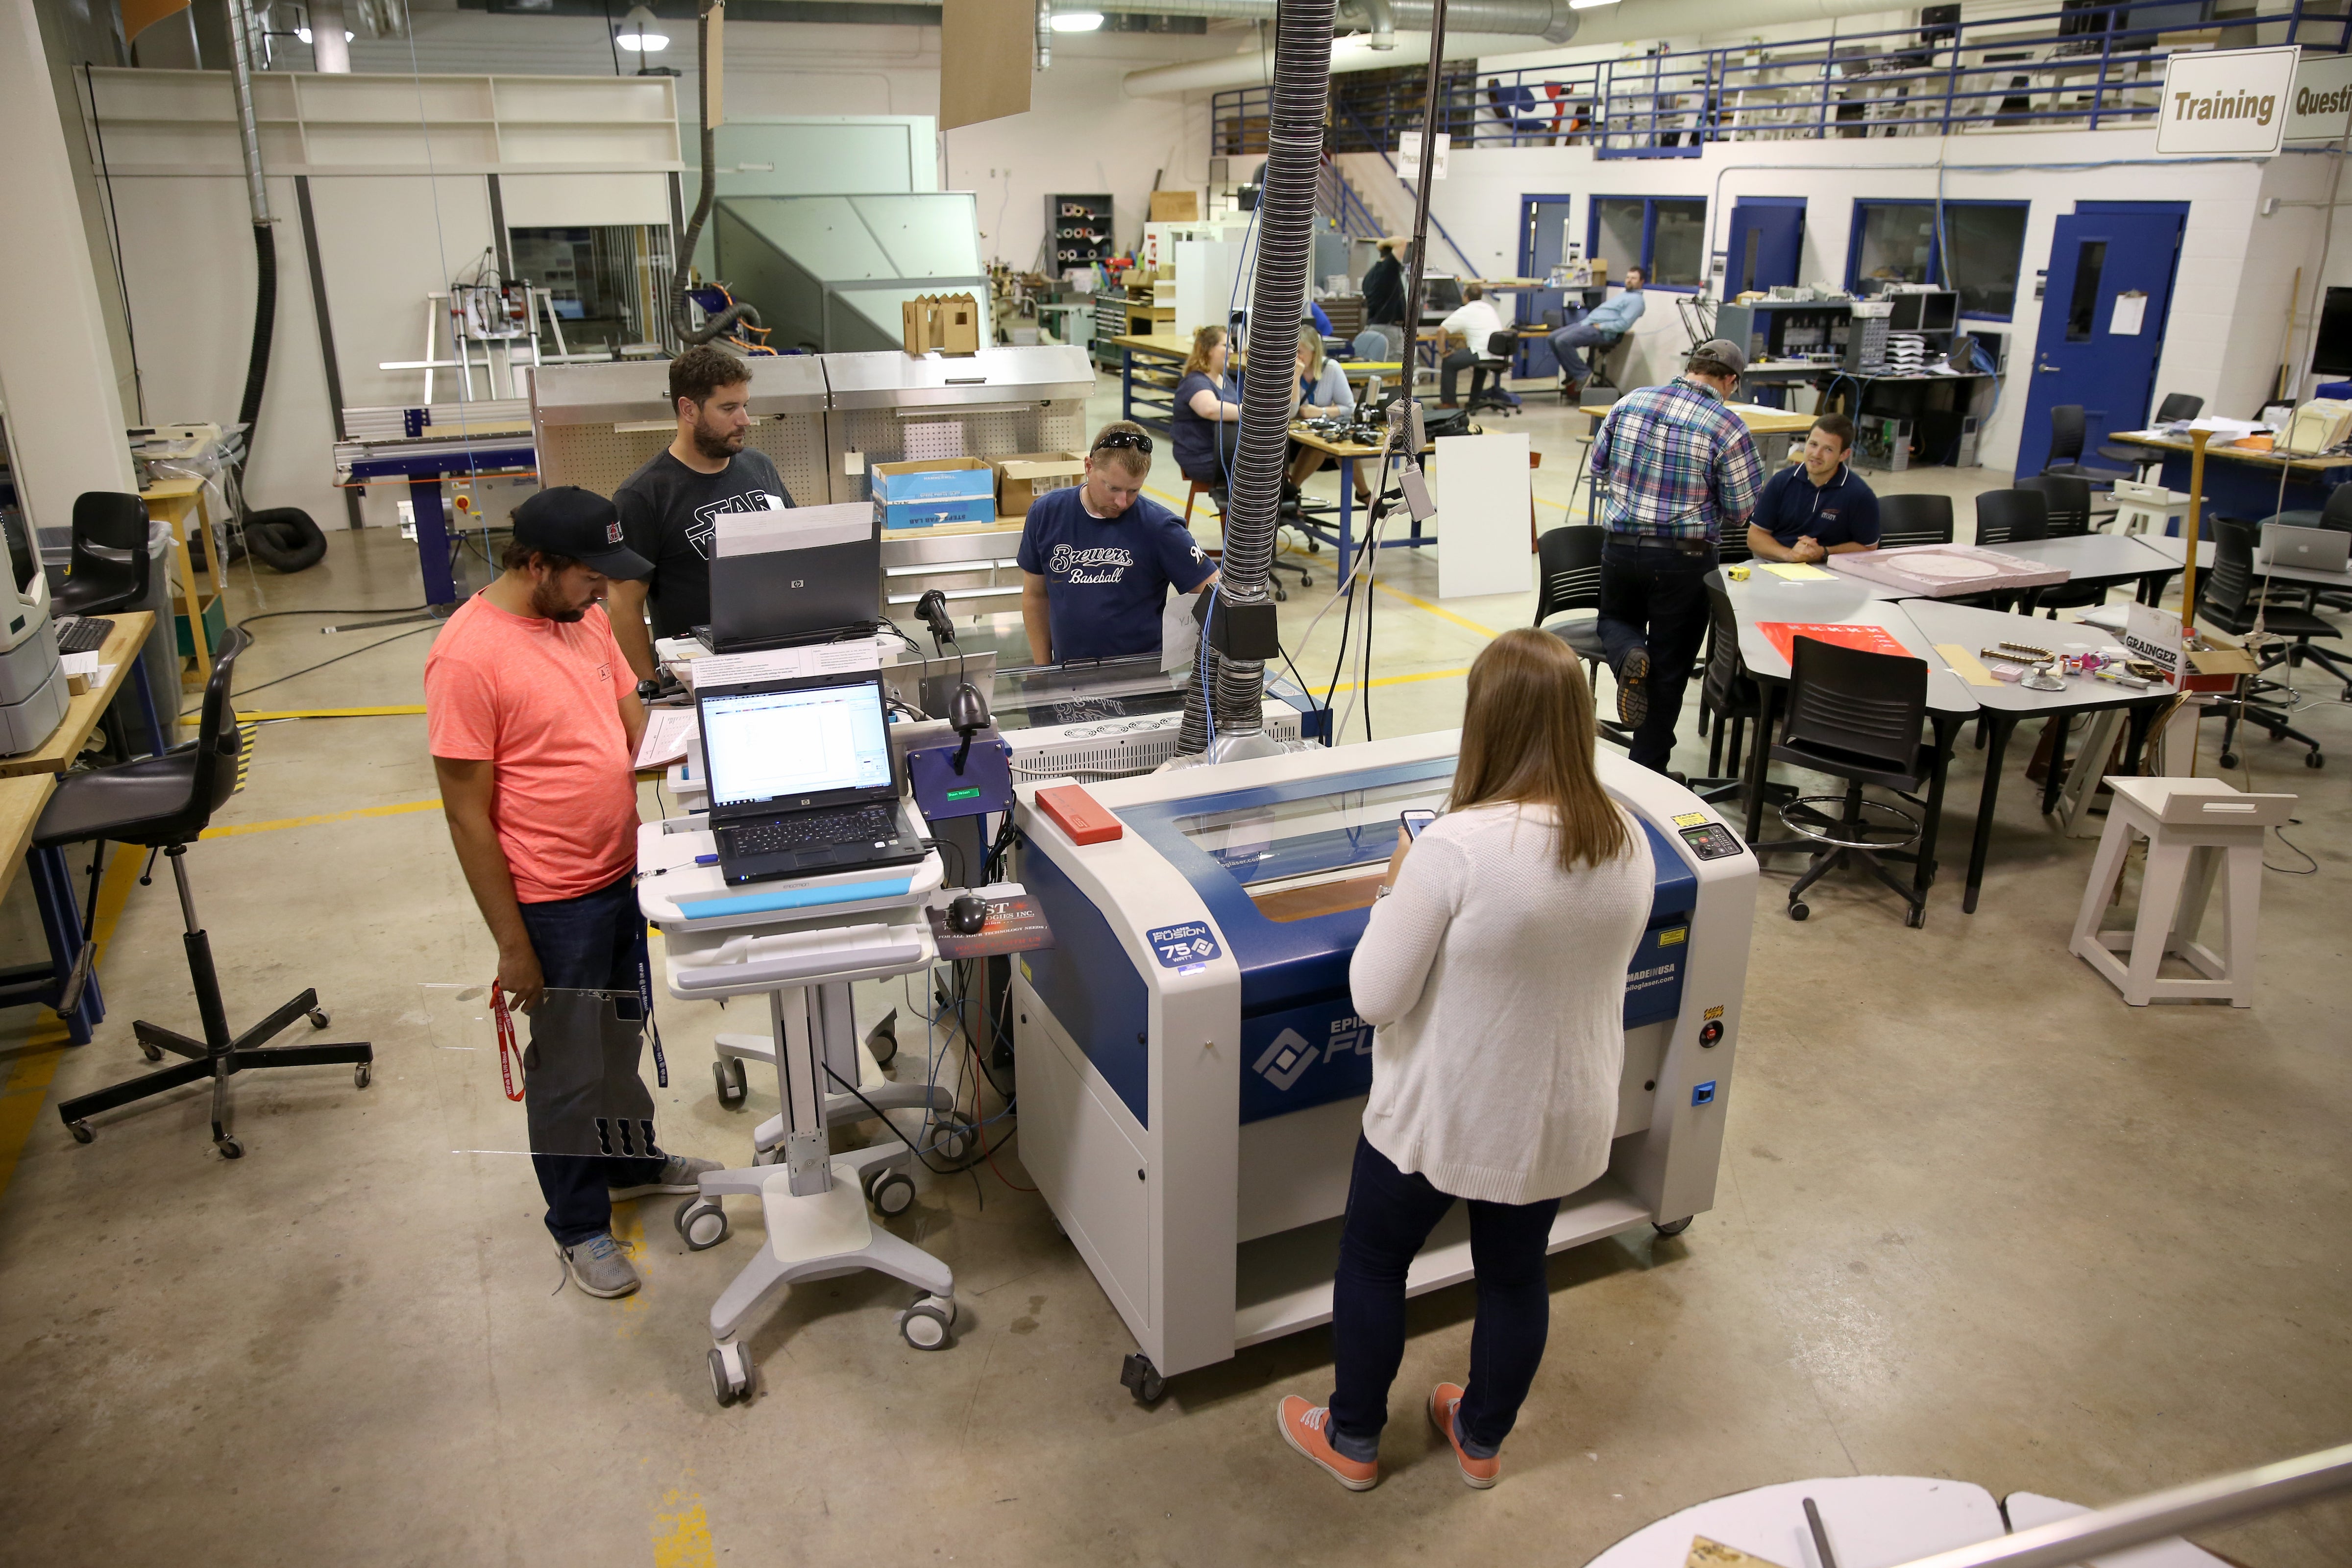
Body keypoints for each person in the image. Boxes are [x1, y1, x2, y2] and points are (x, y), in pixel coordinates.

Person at [1276, 628, 1654, 1493]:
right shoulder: (1626, 839)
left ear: (1485, 723)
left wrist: (1393, 882)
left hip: (1446, 1111)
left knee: (1374, 1261)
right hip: (1558, 1114)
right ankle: (1480, 1440)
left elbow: (1376, 995)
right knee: (1517, 1276)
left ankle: (1354, 1438)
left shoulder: (1455, 847)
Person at [425, 487, 717, 1301]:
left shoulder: (581, 616)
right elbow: (466, 817)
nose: (603, 593)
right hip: (553, 904)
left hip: (623, 871)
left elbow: (636, 736)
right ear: (537, 564)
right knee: (568, 1071)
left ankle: (630, 1164)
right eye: (592, 576)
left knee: (619, 1040)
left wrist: (725, 738)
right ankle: (580, 1225)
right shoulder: (467, 657)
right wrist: (513, 945)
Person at [1586, 338, 1764, 774]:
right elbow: (1744, 511)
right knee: (1668, 670)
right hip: (1683, 560)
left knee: (1613, 621)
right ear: (1731, 381)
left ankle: (1629, 653)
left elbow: (1599, 464)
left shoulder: (1630, 402)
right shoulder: (1726, 426)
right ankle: (1647, 773)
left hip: (1620, 548)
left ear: (1690, 367)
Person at [606, 343, 795, 683]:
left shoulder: (759, 467)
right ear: (688, 409)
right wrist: (649, 691)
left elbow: (798, 553)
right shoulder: (643, 496)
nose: (744, 420)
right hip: (702, 678)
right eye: (728, 408)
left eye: (744, 406)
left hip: (782, 659)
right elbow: (624, 607)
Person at [1018, 421, 1218, 665]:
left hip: (1139, 682)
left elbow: (1214, 594)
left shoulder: (1159, 527)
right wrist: (1043, 669)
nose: (1122, 502)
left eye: (1134, 491)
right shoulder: (1047, 513)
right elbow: (1036, 596)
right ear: (1089, 466)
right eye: (1112, 488)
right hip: (1069, 677)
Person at [1746, 413, 1880, 564]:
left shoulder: (1860, 495)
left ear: (1844, 455)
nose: (1817, 455)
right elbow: (1755, 536)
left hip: (1828, 569)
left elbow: (1869, 547)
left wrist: (1824, 552)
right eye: (1813, 444)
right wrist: (1790, 555)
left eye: (1828, 449)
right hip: (1776, 562)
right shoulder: (1781, 481)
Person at [1287, 324, 1374, 506]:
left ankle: (1364, 493)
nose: (1296, 357)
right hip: (1291, 438)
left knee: (1332, 441)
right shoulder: (1290, 370)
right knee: (1321, 445)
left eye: (1300, 352)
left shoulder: (1331, 369)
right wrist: (1295, 378)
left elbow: (1349, 408)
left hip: (1319, 433)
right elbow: (1292, 413)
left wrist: (1320, 412)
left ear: (1314, 352)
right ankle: (1292, 491)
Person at [1546, 266, 1645, 400]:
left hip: (1602, 331)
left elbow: (1624, 325)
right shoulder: (1625, 295)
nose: (1629, 281)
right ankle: (1573, 374)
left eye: (1633, 279)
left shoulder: (1637, 301)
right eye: (1628, 277)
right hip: (1589, 323)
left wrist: (1601, 326)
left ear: (1641, 282)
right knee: (1552, 337)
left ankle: (1582, 374)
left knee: (1563, 341)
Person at [1171, 325, 1243, 495]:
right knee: (1258, 474)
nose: (1231, 351)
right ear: (1208, 349)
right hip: (1203, 457)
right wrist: (1249, 413)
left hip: (1225, 453)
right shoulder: (1194, 381)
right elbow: (1210, 409)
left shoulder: (1224, 380)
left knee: (1272, 468)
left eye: (1232, 347)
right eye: (1226, 346)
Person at [1436, 283, 1508, 409]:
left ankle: (1449, 403)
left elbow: (1441, 331)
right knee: (1481, 365)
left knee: (1449, 362)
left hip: (1480, 352)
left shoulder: (1466, 311)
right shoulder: (1489, 308)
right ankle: (1474, 401)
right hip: (1498, 353)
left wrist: (1443, 353)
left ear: (1466, 297)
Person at [1361, 243, 1406, 329]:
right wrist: (1382, 243)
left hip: (1372, 326)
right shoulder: (1387, 270)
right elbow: (1401, 243)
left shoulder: (1370, 275)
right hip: (1388, 329)